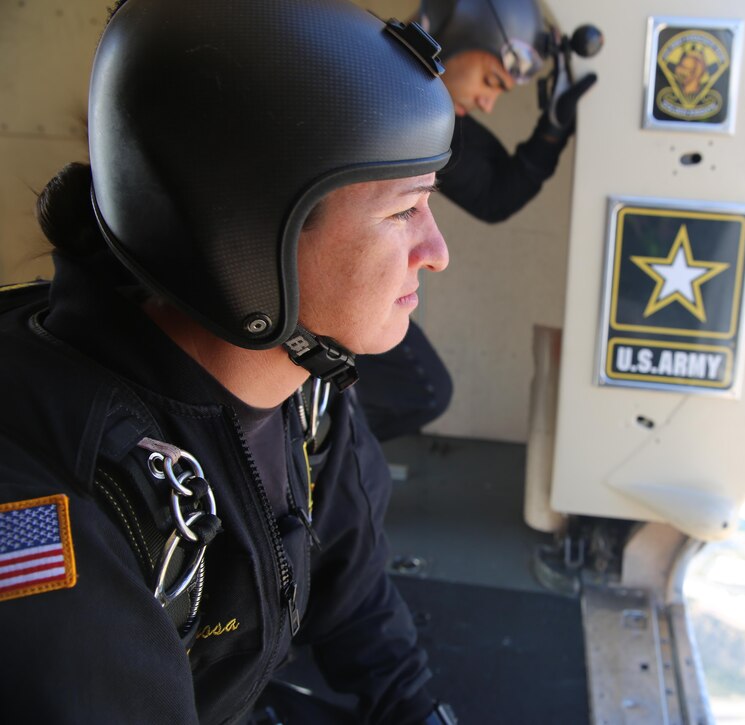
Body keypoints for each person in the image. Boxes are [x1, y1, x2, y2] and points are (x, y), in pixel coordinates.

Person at [0, 0, 459, 722]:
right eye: (404, 211)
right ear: (245, 237)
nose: (436, 251)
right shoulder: (66, 511)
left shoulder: (306, 391)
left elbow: (355, 592)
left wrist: (418, 709)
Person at [354, 0, 598, 441]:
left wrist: (552, 131)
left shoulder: (431, 108)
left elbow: (492, 194)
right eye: (490, 81)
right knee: (420, 390)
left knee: (421, 392)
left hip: (358, 286)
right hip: (315, 289)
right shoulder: (373, 85)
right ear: (456, 37)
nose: (487, 102)